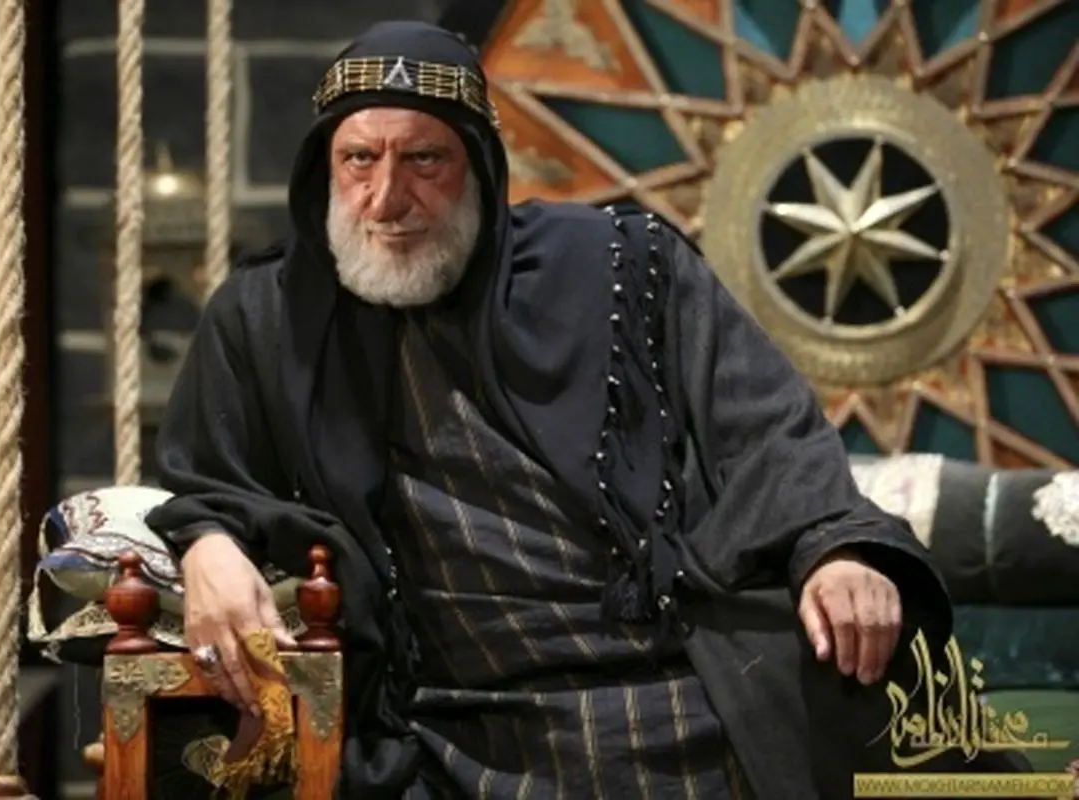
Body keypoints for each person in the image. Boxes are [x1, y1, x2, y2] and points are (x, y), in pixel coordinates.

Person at [146, 20, 1026, 800]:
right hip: (452, 722)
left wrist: (835, 547)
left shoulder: (625, 265)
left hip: (683, 673)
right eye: (359, 160)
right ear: (325, 169)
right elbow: (206, 478)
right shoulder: (266, 318)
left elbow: (766, 429)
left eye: (424, 160)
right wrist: (208, 545)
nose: (386, 199)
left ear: (478, 165)